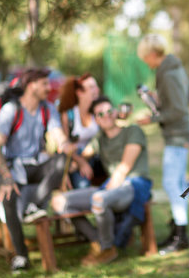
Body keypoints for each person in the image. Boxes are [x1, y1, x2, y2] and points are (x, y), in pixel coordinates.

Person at [0, 67, 74, 273]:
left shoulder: (47, 109)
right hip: (13, 166)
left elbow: (58, 137)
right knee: (8, 197)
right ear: (31, 86)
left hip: (36, 164)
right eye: (44, 84)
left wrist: (67, 145)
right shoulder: (11, 110)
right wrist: (6, 177)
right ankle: (21, 256)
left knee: (61, 161)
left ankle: (34, 206)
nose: (49, 87)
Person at [52, 96, 152, 266]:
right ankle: (99, 242)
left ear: (115, 113)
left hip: (133, 185)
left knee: (99, 199)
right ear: (96, 119)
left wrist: (105, 190)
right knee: (58, 202)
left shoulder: (133, 131)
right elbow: (80, 155)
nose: (105, 116)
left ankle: (106, 248)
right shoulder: (99, 140)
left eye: (108, 111)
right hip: (111, 188)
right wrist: (75, 159)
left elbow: (124, 167)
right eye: (100, 114)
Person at [136, 34, 189, 255]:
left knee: (172, 185)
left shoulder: (166, 73)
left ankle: (181, 236)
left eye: (145, 58)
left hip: (177, 135)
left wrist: (151, 118)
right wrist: (161, 99)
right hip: (182, 133)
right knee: (177, 184)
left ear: (152, 54)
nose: (146, 62)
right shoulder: (176, 67)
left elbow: (178, 110)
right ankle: (177, 232)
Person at [57, 73, 104, 189]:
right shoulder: (69, 115)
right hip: (76, 157)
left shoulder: (96, 112)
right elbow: (65, 144)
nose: (97, 90)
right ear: (79, 92)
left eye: (96, 86)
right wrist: (80, 162)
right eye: (92, 87)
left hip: (96, 154)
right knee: (82, 184)